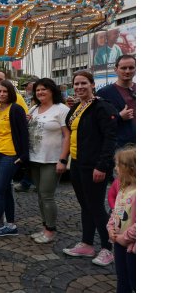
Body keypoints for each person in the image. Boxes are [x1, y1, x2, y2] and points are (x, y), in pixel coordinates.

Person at [61, 71, 118, 267]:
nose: (79, 87)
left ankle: (108, 248)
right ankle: (86, 243)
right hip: (77, 163)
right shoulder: (77, 107)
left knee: (95, 206)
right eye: (76, 84)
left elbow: (110, 138)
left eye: (83, 83)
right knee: (85, 205)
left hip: (94, 165)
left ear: (92, 85)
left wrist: (102, 166)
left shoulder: (101, 107)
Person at [0, 81, 29, 244]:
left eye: (5, 91)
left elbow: (23, 133)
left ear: (10, 93)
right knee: (6, 191)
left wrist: (23, 156)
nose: (1, 94)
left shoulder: (16, 109)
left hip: (10, 155)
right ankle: (10, 225)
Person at [26, 78, 70, 244]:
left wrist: (63, 159)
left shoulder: (61, 109)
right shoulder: (35, 108)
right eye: (38, 90)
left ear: (52, 91)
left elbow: (67, 136)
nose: (40, 92)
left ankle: (51, 230)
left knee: (47, 195)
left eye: (44, 89)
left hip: (52, 159)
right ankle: (45, 226)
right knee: (40, 195)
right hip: (34, 157)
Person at [107, 145, 136, 293]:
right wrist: (111, 229)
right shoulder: (123, 189)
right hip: (118, 242)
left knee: (134, 281)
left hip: (132, 247)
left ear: (130, 168)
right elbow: (115, 212)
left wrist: (125, 238)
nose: (116, 168)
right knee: (122, 278)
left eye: (118, 165)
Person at [96, 55, 136, 148]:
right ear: (116, 69)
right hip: (120, 148)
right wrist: (119, 116)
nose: (127, 71)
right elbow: (98, 122)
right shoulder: (104, 93)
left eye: (131, 68)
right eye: (123, 68)